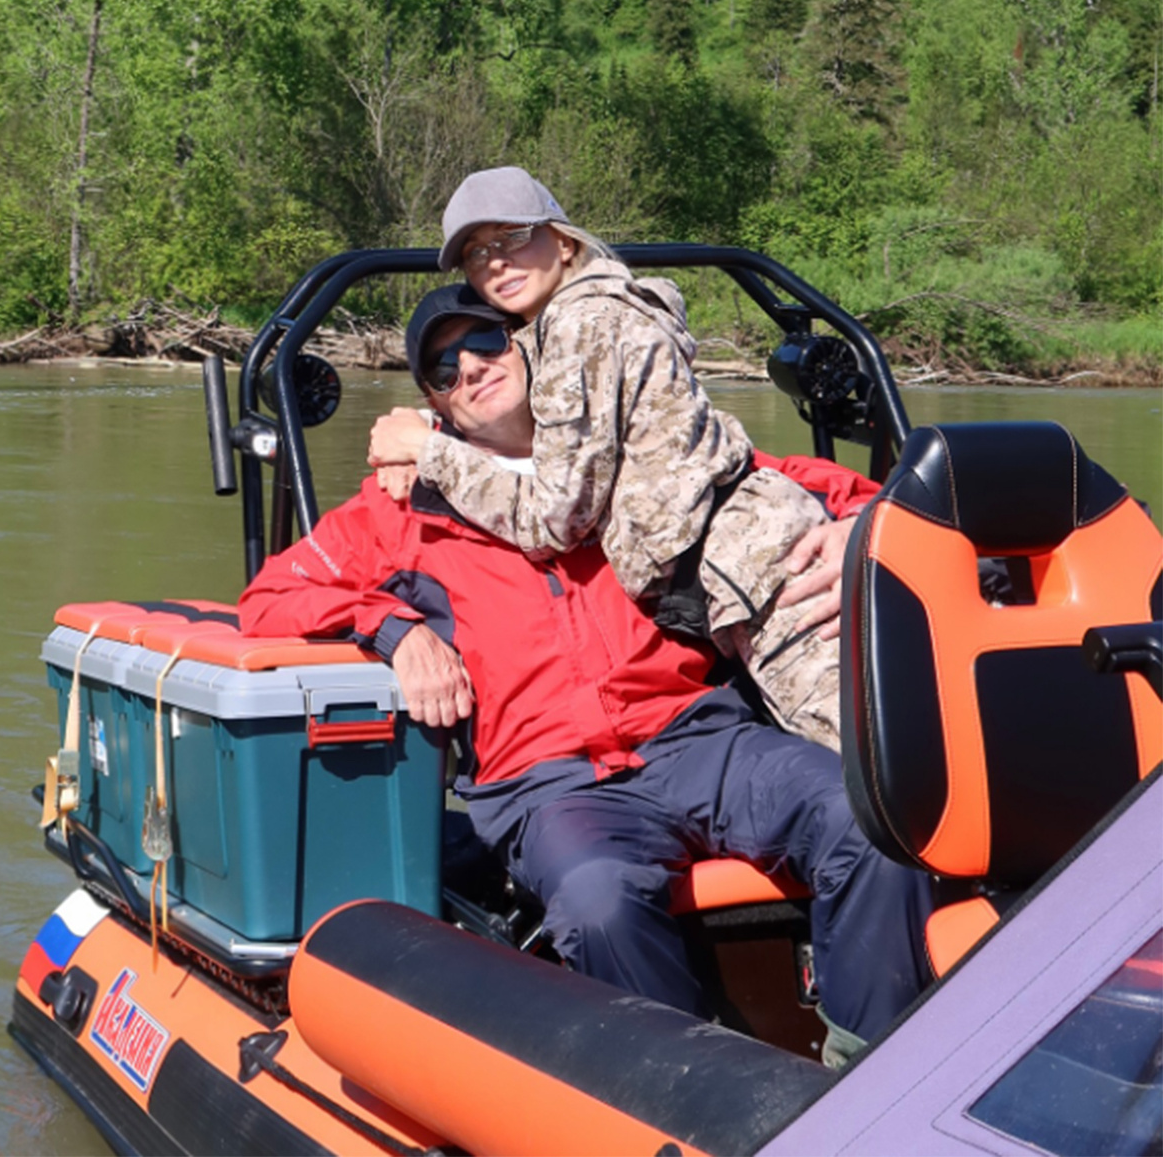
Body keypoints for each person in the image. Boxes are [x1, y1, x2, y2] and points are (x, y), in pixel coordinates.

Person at [239, 284, 933, 1065]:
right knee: (599, 900)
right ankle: (681, 1094)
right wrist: (395, 632)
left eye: (487, 342)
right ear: (434, 402)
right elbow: (272, 597)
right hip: (549, 782)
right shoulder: (401, 509)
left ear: (533, 354)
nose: (470, 367)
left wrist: (862, 527)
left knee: (870, 817)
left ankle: (869, 1070)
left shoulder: (639, 459)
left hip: (696, 738)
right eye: (443, 366)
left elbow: (824, 486)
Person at [367, 166, 850, 751]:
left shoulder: (580, 326)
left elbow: (553, 521)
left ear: (564, 243)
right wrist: (430, 429)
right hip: (749, 567)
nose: (495, 262)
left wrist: (428, 452)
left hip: (767, 576)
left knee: (873, 758)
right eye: (475, 253)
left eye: (513, 236)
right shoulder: (611, 311)